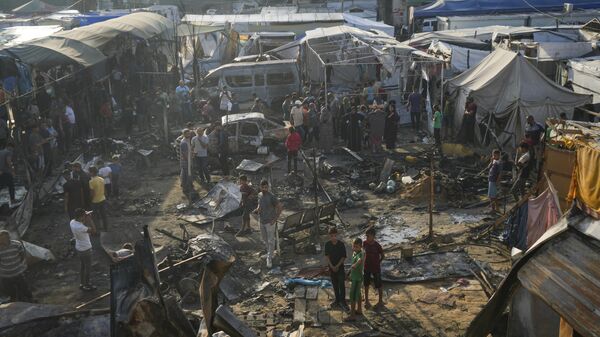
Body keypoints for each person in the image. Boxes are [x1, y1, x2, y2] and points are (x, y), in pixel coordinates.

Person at [254, 180, 282, 269]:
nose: (264, 189)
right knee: (264, 239)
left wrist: (275, 219)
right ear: (260, 187)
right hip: (261, 221)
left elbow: (279, 207)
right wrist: (257, 209)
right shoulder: (259, 195)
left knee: (270, 241)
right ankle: (270, 253)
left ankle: (269, 258)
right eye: (263, 187)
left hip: (270, 222)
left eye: (266, 187)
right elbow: (259, 205)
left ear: (268, 187)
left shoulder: (272, 196)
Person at [0, 230, 32, 301]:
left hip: (18, 272)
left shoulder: (16, 244)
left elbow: (22, 255)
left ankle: (30, 300)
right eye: (1, 238)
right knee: (11, 292)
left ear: (8, 237)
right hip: (6, 275)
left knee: (24, 288)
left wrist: (19, 265)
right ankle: (15, 302)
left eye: (5, 238)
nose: (3, 240)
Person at [69, 208, 97, 291]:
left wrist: (85, 217)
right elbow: (94, 231)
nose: (85, 217)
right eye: (84, 216)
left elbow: (81, 222)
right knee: (88, 268)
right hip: (86, 249)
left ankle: (82, 283)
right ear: (81, 217)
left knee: (82, 267)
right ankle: (87, 285)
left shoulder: (72, 222)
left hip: (79, 248)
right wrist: (90, 220)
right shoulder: (81, 227)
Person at [325, 226, 348, 310]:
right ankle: (337, 300)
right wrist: (332, 266)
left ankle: (343, 301)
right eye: (331, 236)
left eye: (335, 236)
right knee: (334, 284)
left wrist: (337, 266)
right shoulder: (327, 244)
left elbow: (343, 257)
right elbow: (327, 257)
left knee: (341, 284)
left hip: (340, 267)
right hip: (332, 268)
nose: (333, 238)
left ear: (337, 235)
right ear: (329, 236)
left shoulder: (341, 244)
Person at [363, 227, 384, 311]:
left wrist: (378, 262)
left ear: (373, 236)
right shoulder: (364, 244)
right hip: (366, 267)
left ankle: (380, 301)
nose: (366, 238)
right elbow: (362, 253)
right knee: (366, 284)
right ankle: (366, 300)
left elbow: (383, 256)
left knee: (378, 284)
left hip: (376, 268)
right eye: (366, 236)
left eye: (368, 236)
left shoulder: (377, 245)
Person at [346, 238, 364, 321]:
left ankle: (352, 315)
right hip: (354, 276)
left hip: (357, 278)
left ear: (361, 247)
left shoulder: (361, 254)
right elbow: (352, 264)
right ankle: (359, 310)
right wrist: (349, 272)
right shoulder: (354, 253)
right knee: (358, 293)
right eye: (354, 246)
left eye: (357, 247)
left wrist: (355, 265)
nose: (355, 248)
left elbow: (360, 260)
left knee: (352, 295)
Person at [88, 166, 108, 231]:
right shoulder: (101, 179)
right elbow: (105, 190)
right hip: (103, 199)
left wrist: (90, 200)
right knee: (104, 215)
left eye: (89, 172)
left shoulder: (91, 181)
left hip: (95, 201)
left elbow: (92, 194)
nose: (89, 173)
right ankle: (106, 228)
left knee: (95, 216)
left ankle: (97, 230)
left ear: (92, 172)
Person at [179, 129, 194, 196]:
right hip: (185, 161)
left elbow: (188, 151)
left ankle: (185, 186)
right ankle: (186, 188)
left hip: (186, 160)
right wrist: (189, 161)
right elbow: (185, 154)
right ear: (184, 134)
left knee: (184, 174)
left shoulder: (187, 141)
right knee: (186, 174)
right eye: (187, 134)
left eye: (189, 133)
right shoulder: (184, 142)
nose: (189, 135)